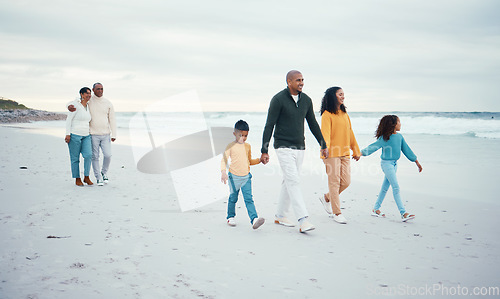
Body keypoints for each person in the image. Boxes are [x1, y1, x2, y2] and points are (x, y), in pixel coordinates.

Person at [260, 70, 329, 233]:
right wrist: (264, 150)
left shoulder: (306, 100)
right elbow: (269, 125)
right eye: (298, 80)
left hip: (300, 147)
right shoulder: (278, 99)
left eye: (303, 80)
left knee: (288, 181)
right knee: (293, 181)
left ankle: (280, 215)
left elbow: (312, 123)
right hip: (283, 146)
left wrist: (323, 144)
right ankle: (303, 220)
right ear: (289, 81)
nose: (302, 83)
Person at [360, 115, 423, 222]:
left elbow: (407, 150)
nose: (400, 124)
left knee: (385, 188)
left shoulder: (399, 137)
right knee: (396, 187)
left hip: (394, 164)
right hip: (386, 164)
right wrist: (359, 153)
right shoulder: (384, 138)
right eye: (399, 122)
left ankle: (376, 209)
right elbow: (372, 147)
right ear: (393, 124)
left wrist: (416, 161)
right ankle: (403, 213)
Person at [318, 87, 361, 224]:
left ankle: (326, 198)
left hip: (344, 153)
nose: (343, 97)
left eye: (343, 94)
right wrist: (325, 149)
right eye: (340, 94)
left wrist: (356, 150)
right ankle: (337, 213)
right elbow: (325, 133)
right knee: (334, 182)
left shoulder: (344, 114)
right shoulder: (326, 115)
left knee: (346, 182)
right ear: (333, 96)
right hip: (331, 154)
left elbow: (350, 133)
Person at [68, 83, 116, 186]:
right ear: (93, 90)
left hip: (96, 134)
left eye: (102, 89)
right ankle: (88, 177)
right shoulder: (83, 102)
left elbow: (112, 119)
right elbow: (75, 104)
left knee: (99, 155)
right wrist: (68, 106)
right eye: (98, 89)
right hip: (85, 134)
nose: (100, 90)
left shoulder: (102, 103)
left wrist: (114, 134)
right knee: (85, 157)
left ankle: (96, 174)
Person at [221, 120, 265, 229]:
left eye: (246, 136)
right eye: (240, 135)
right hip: (233, 177)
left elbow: (249, 161)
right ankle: (230, 217)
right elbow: (224, 160)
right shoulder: (230, 146)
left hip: (246, 177)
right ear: (234, 134)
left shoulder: (248, 146)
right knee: (233, 198)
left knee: (249, 199)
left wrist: (259, 160)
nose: (243, 138)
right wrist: (223, 172)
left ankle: (254, 219)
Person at [65, 87, 93, 186]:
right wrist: (67, 134)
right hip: (74, 135)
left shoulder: (89, 106)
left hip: (86, 135)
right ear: (81, 94)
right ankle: (77, 178)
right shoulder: (75, 105)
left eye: (90, 93)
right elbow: (69, 120)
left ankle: (86, 176)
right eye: (87, 93)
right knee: (75, 158)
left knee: (89, 155)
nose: (89, 95)